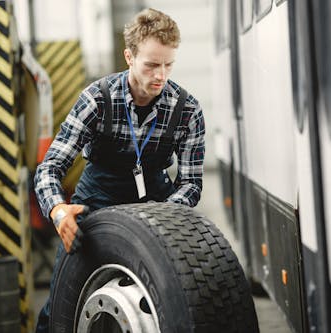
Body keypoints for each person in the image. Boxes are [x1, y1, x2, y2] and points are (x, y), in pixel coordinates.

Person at [33, 7, 205, 332]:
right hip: (96, 200)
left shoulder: (188, 110)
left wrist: (164, 215)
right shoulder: (97, 100)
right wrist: (58, 211)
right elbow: (50, 167)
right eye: (151, 64)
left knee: (178, 303)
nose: (161, 76)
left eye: (169, 65)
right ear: (129, 56)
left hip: (159, 203)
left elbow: (191, 184)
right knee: (58, 309)